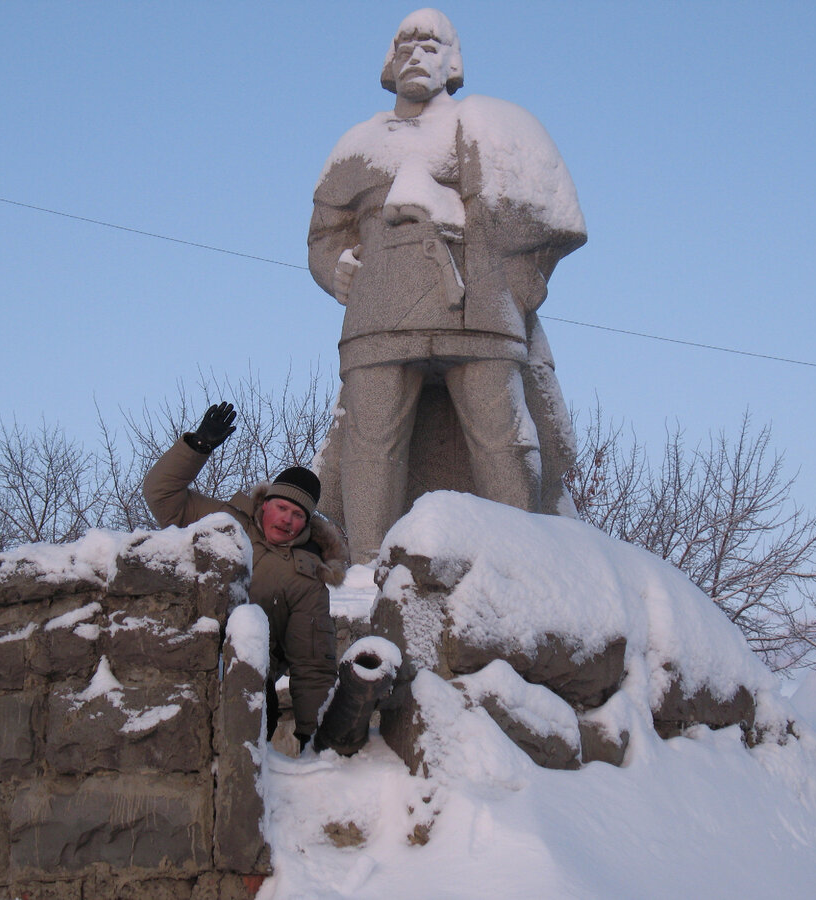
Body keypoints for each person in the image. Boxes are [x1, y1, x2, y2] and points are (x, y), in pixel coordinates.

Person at [308, 8, 587, 564]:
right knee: (371, 442)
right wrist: (333, 265)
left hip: (478, 308)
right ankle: (368, 565)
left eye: (431, 45)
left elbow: (548, 217)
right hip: (379, 317)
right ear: (389, 61)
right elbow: (322, 235)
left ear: (453, 61)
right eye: (405, 45)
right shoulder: (356, 146)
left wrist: (455, 209)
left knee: (504, 436)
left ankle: (522, 558)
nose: (416, 54)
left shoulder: (485, 124)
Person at [142, 401, 346, 748]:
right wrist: (198, 446)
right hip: (183, 654)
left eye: (298, 515)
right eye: (282, 508)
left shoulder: (306, 577)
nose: (287, 520)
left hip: (249, 681)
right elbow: (161, 495)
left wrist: (315, 740)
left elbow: (311, 664)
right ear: (265, 504)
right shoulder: (224, 521)